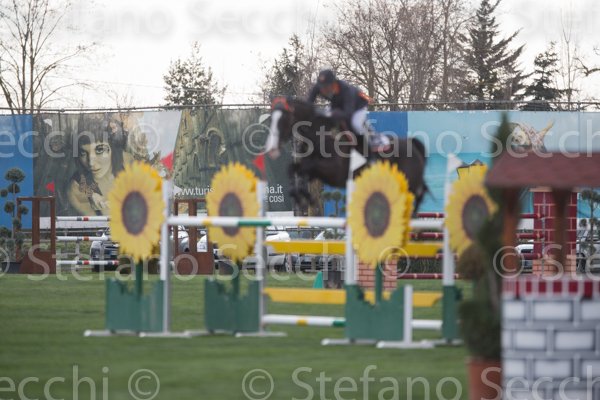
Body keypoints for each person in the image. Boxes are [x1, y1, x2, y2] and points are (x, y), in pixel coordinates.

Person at [307, 69, 385, 148]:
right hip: (338, 105)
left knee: (356, 124)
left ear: (333, 83)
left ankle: (374, 136)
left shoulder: (346, 90)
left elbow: (348, 113)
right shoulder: (318, 87)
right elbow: (308, 104)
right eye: (321, 86)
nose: (323, 89)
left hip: (356, 106)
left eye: (326, 86)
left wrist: (331, 113)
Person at [67, 117, 127, 215]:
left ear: (113, 148)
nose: (91, 163)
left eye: (99, 150)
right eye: (83, 153)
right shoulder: (75, 188)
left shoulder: (129, 164)